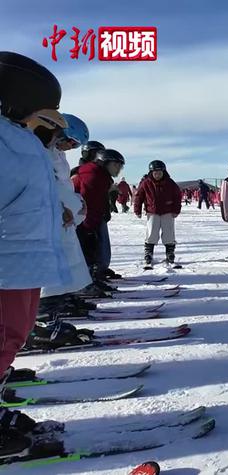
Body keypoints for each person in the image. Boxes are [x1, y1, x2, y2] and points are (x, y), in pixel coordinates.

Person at [0, 51, 72, 455]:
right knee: (3, 336)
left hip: (24, 257)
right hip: (7, 260)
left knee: (15, 334)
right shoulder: (5, 145)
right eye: (42, 115)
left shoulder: (17, 141)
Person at [38, 113, 94, 319]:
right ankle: (43, 314)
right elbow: (46, 185)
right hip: (52, 216)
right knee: (51, 266)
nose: (71, 147)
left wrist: (77, 201)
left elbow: (64, 185)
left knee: (68, 263)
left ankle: (60, 303)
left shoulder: (58, 156)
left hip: (65, 217)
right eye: (71, 142)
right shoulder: (43, 153)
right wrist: (62, 205)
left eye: (76, 145)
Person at [73, 148, 125, 281]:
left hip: (87, 218)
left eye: (120, 166)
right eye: (115, 165)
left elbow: (98, 202)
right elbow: (88, 203)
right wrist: (89, 227)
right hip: (81, 219)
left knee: (97, 247)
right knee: (88, 249)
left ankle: (96, 274)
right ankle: (88, 280)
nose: (118, 169)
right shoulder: (94, 177)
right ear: (104, 163)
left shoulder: (100, 175)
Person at [134, 160, 182, 267]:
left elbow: (177, 196)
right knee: (151, 233)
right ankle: (148, 253)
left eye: (160, 172)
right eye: (155, 173)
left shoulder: (170, 183)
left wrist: (176, 210)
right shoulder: (146, 183)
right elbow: (139, 197)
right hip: (152, 212)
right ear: (151, 172)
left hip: (167, 212)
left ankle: (170, 252)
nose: (157, 175)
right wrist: (137, 210)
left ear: (163, 172)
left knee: (169, 233)